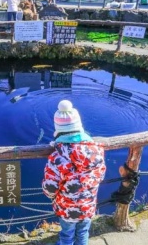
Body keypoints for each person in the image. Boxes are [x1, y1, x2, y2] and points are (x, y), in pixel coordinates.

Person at [42, 100, 107, 245]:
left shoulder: (57, 158)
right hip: (88, 206)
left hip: (67, 210)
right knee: (83, 233)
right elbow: (100, 176)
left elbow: (50, 188)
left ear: (58, 130)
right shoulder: (97, 151)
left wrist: (51, 196)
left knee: (66, 236)